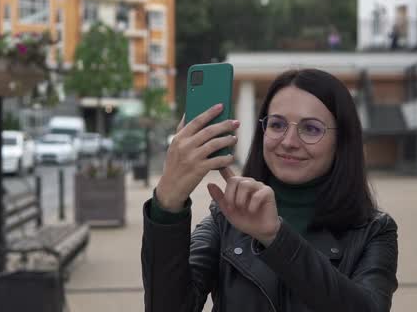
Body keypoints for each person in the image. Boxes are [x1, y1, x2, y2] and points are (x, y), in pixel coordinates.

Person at [141, 68, 398, 311]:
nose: (288, 142)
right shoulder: (225, 218)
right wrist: (167, 205)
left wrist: (276, 237)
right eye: (277, 125)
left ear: (342, 141)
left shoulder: (374, 231)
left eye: (311, 129)